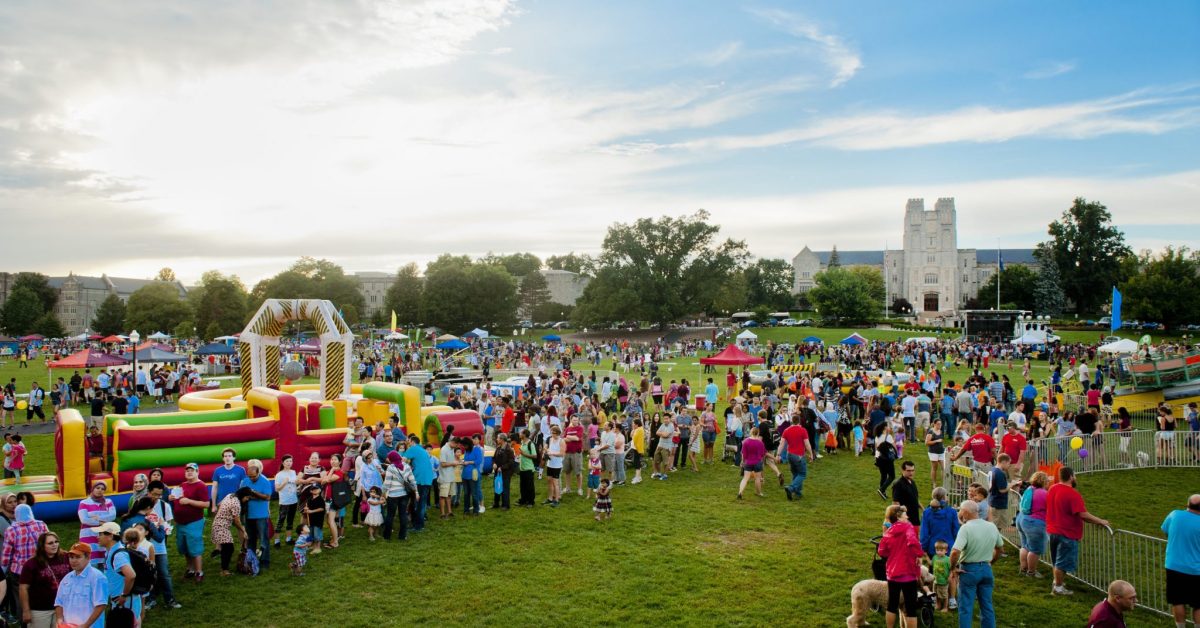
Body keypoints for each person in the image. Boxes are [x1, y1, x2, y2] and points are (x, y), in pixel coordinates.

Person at [1046, 466, 1109, 596]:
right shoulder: (1072, 494)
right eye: (1074, 475)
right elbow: (1083, 514)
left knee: (1057, 560)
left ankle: (1057, 583)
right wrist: (1100, 521)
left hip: (1052, 531)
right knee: (1062, 562)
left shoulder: (1053, 488)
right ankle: (1057, 587)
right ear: (1070, 477)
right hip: (1066, 533)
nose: (1075, 478)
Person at [950, 500, 1003, 628]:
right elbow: (1000, 549)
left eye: (961, 510)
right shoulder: (991, 526)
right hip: (986, 569)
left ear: (966, 513)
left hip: (969, 570)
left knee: (966, 608)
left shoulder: (966, 528)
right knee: (987, 606)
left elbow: (955, 552)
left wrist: (953, 568)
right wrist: (991, 562)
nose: (959, 512)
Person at [877, 504, 925, 628]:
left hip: (892, 573)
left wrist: (892, 554)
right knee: (910, 608)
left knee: (892, 604)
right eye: (905, 514)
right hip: (908, 573)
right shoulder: (908, 527)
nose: (907, 516)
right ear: (898, 517)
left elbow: (882, 551)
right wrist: (919, 554)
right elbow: (913, 542)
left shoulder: (889, 531)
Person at [1160, 494, 1200, 628]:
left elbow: (1165, 531)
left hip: (1173, 565)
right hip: (1196, 569)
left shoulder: (1174, 515)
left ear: (1187, 505)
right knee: (1198, 604)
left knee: (1177, 601)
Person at [170, 462, 210, 582]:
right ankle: (190, 569)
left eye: (192, 470)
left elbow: (206, 504)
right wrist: (172, 498)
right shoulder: (182, 485)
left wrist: (189, 501)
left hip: (194, 521)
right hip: (180, 522)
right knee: (184, 546)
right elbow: (178, 499)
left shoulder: (201, 485)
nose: (189, 472)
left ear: (197, 472)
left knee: (194, 546)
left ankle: (199, 571)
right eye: (187, 470)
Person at [95, 521, 140, 624]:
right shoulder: (111, 551)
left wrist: (124, 595)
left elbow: (131, 575)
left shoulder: (118, 555)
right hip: (120, 601)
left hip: (125, 601)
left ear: (110, 536)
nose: (98, 537)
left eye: (100, 534)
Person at [53, 543, 106, 628]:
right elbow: (59, 603)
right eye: (71, 557)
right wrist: (59, 620)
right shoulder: (67, 578)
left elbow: (101, 605)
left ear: (88, 558)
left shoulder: (98, 577)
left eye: (78, 557)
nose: (73, 561)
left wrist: (85, 625)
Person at [239, 459, 273, 570]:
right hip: (249, 515)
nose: (252, 478)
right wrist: (244, 498)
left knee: (264, 539)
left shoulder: (265, 481)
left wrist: (252, 493)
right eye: (250, 477)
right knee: (251, 539)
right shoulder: (245, 481)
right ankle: (251, 560)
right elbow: (240, 495)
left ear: (259, 472)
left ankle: (265, 561)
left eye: (254, 476)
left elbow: (267, 497)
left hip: (261, 515)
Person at [211, 486, 251, 576]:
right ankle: (224, 571)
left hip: (217, 524)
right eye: (247, 497)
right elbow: (236, 521)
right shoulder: (237, 504)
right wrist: (243, 530)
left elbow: (219, 504)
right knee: (229, 548)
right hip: (222, 527)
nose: (247, 500)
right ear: (243, 495)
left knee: (226, 548)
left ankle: (224, 569)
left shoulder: (230, 495)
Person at [1017, 471, 1050, 578]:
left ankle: (1023, 568)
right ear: (1044, 481)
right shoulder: (1044, 493)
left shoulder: (1029, 489)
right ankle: (1031, 572)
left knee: (1025, 546)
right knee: (1035, 549)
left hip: (1022, 519)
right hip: (1034, 523)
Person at [76, 482, 115, 569]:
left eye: (102, 489)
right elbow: (84, 520)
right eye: (98, 488)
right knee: (90, 563)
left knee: (105, 562)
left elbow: (112, 516)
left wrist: (96, 518)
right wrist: (101, 522)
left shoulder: (108, 502)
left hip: (103, 536)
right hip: (88, 536)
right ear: (92, 489)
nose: (100, 490)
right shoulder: (84, 503)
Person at [778, 413, 813, 501]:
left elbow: (782, 444)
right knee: (802, 474)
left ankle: (797, 492)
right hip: (799, 456)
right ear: (799, 421)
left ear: (791, 421)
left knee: (795, 474)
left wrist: (778, 454)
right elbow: (807, 443)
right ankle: (791, 488)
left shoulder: (786, 430)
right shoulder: (803, 430)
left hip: (789, 455)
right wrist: (811, 453)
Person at [381, 451, 413, 541]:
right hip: (404, 495)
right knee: (403, 514)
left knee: (390, 515)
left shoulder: (391, 468)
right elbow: (411, 479)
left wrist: (383, 493)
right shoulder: (406, 466)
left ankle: (387, 536)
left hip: (393, 495)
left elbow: (387, 483)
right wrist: (416, 491)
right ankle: (402, 536)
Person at [273, 455, 299, 548]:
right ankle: (277, 541)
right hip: (284, 502)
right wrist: (284, 483)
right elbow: (277, 489)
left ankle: (288, 539)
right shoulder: (279, 475)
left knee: (290, 520)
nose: (289, 463)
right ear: (283, 463)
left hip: (294, 500)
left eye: (291, 461)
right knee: (280, 520)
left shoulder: (293, 472)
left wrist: (298, 486)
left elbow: (295, 483)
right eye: (287, 461)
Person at [891, 460, 921, 533]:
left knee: (916, 540)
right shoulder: (898, 484)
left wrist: (924, 510)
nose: (911, 473)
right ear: (902, 470)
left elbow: (915, 498)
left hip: (915, 519)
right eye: (908, 471)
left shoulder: (912, 482)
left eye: (912, 470)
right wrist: (901, 518)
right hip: (906, 520)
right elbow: (895, 503)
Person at [736, 427, 766, 500]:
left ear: (751, 432)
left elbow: (743, 454)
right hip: (758, 462)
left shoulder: (746, 442)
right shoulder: (760, 443)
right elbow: (763, 454)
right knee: (757, 479)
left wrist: (742, 462)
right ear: (758, 433)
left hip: (748, 462)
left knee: (745, 478)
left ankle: (740, 492)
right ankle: (759, 492)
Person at [988, 454, 1013, 534]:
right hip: (998, 503)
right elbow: (1002, 490)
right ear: (1004, 462)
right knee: (996, 525)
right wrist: (1012, 485)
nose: (1009, 466)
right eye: (1009, 463)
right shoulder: (999, 473)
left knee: (996, 525)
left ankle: (994, 542)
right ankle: (992, 543)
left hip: (993, 500)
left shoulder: (992, 470)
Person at [437, 437, 461, 518]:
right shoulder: (444, 450)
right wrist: (453, 463)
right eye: (456, 445)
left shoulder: (451, 449)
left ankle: (450, 511)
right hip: (444, 477)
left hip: (451, 476)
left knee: (449, 495)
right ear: (453, 442)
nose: (456, 446)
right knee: (443, 496)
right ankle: (442, 514)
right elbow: (443, 464)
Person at [875, 423, 898, 500]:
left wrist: (876, 459)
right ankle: (882, 489)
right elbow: (894, 446)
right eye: (888, 426)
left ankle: (883, 493)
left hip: (879, 458)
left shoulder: (877, 436)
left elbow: (877, 448)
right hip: (887, 459)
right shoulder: (888, 436)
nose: (889, 427)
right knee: (892, 476)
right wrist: (896, 454)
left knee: (883, 475)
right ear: (885, 428)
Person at [517, 430, 538, 507]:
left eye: (521, 433)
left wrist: (524, 454)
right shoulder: (522, 443)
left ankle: (531, 502)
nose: (519, 434)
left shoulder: (530, 444)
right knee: (522, 486)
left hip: (529, 468)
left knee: (530, 486)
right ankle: (523, 500)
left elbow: (535, 456)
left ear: (525, 434)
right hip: (522, 468)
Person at [932, 541, 952, 613]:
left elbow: (951, 569)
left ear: (946, 551)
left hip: (944, 581)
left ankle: (945, 607)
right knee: (936, 594)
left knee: (944, 595)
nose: (939, 552)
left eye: (941, 550)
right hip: (936, 580)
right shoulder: (935, 557)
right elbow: (932, 564)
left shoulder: (948, 559)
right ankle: (938, 605)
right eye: (937, 550)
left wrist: (950, 576)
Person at [925, 418, 945, 487]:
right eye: (938, 424)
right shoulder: (931, 432)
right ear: (934, 424)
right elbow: (926, 443)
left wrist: (943, 447)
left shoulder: (941, 431)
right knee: (935, 468)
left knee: (944, 468)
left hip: (941, 452)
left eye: (940, 424)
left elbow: (941, 441)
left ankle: (944, 483)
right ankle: (934, 483)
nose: (940, 425)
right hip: (933, 452)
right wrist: (936, 441)